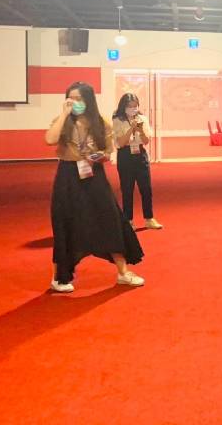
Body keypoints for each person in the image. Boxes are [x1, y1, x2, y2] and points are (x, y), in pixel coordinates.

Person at [45, 82, 144, 293]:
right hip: (68, 175)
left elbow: (108, 152)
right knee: (66, 223)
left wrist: (97, 157)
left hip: (94, 175)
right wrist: (64, 114)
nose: (74, 103)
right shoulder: (63, 121)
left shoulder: (101, 122)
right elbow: (50, 139)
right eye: (70, 98)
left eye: (78, 99)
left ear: (88, 100)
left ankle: (123, 273)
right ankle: (59, 277)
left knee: (110, 219)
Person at [112, 93, 162, 230]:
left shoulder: (142, 119)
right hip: (125, 155)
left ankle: (149, 219)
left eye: (135, 106)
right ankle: (128, 220)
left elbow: (146, 141)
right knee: (127, 189)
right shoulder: (117, 120)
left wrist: (140, 130)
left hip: (140, 155)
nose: (133, 109)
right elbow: (120, 143)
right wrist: (131, 129)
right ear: (123, 106)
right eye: (130, 106)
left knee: (146, 189)